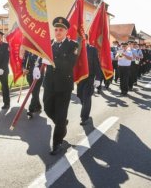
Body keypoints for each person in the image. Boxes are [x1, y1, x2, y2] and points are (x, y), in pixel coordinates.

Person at [42, 17, 78, 155]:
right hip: (49, 84)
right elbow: (41, 58)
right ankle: (62, 123)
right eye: (56, 29)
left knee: (61, 114)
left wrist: (51, 58)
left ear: (66, 31)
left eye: (61, 30)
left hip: (64, 85)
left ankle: (57, 143)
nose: (57, 32)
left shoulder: (72, 45)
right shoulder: (49, 44)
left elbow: (69, 64)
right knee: (47, 108)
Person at [77, 35, 102, 126]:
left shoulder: (92, 50)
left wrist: (98, 78)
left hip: (89, 77)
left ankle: (84, 117)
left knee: (86, 96)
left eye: (83, 39)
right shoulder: (77, 49)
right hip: (80, 78)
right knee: (80, 95)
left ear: (87, 40)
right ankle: (86, 107)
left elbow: (97, 64)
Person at [22, 50, 43, 118]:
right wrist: (24, 69)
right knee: (34, 92)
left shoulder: (41, 51)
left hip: (38, 76)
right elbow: (23, 62)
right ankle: (38, 106)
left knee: (35, 91)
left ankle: (31, 109)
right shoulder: (28, 51)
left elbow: (43, 63)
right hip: (30, 76)